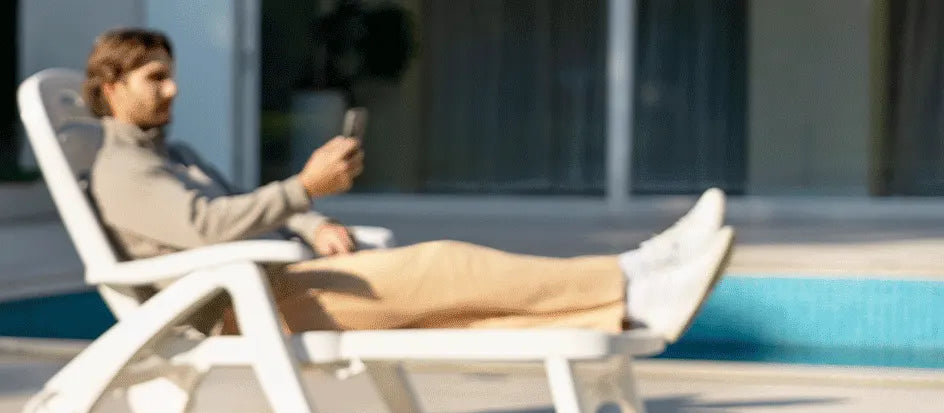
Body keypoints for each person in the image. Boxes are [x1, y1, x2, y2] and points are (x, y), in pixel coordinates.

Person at [82, 27, 734, 340]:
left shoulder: (175, 154)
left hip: (276, 283)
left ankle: (630, 307)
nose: (173, 89)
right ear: (111, 88)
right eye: (154, 78)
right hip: (243, 307)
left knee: (460, 307)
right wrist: (306, 187)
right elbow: (205, 227)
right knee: (445, 266)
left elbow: (235, 205)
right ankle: (631, 272)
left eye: (170, 74)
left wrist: (312, 221)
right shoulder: (122, 170)